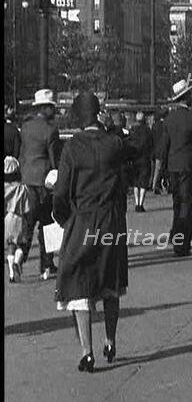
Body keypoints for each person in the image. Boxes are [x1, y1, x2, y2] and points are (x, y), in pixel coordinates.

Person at [53, 91, 131, 372]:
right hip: (111, 221)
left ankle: (87, 351)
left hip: (83, 219)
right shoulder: (113, 143)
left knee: (79, 285)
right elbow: (131, 151)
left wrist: (63, 219)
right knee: (111, 283)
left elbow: (61, 192)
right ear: (98, 114)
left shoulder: (73, 147)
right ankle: (110, 340)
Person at [159, 79, 192, 257]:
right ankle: (184, 242)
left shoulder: (168, 120)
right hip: (187, 165)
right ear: (187, 97)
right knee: (188, 204)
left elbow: (164, 147)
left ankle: (176, 237)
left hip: (172, 166)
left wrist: (162, 170)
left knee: (177, 203)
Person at [18, 88, 61, 280]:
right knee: (47, 223)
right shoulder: (51, 130)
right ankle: (46, 264)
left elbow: (23, 152)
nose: (54, 111)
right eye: (52, 107)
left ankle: (20, 254)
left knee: (27, 222)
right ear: (45, 108)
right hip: (44, 181)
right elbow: (54, 159)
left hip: (27, 179)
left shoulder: (26, 127)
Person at [5, 156, 30, 283]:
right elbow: (27, 208)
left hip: (8, 218)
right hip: (20, 218)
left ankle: (10, 273)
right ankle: (16, 262)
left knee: (10, 245)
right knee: (21, 244)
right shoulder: (22, 188)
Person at [128, 111, 154, 212]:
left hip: (135, 158)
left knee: (136, 182)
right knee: (143, 182)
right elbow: (151, 144)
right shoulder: (148, 131)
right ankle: (141, 204)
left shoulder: (132, 130)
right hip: (145, 158)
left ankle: (136, 202)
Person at [150, 108, 168, 194]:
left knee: (157, 169)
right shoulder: (165, 125)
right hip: (163, 149)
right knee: (160, 169)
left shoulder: (155, 125)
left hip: (156, 149)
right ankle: (155, 185)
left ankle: (154, 184)